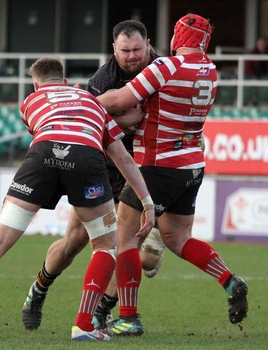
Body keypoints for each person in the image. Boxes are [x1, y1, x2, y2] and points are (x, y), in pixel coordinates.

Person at [0, 57, 155, 341]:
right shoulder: (91, 100)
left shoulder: (30, 102)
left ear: (36, 84)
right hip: (86, 155)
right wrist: (146, 201)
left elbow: (45, 134)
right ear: (65, 79)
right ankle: (83, 326)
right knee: (106, 245)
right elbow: (123, 158)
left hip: (43, 153)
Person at [96, 13, 249, 336]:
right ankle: (229, 280)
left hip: (157, 165)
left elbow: (121, 99)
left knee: (125, 240)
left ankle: (129, 317)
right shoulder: (209, 71)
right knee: (178, 239)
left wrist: (83, 104)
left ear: (178, 38)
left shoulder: (167, 67)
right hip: (192, 165)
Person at [22, 20, 165, 333]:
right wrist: (133, 117)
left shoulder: (162, 69)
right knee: (74, 241)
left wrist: (130, 117)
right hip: (105, 165)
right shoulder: (102, 80)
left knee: (127, 244)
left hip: (145, 167)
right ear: (113, 49)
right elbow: (95, 118)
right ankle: (39, 289)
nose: (131, 56)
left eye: (137, 50)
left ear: (149, 45)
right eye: (125, 50)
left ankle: (102, 311)